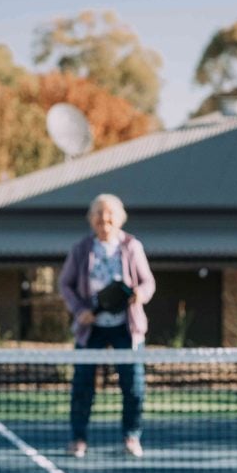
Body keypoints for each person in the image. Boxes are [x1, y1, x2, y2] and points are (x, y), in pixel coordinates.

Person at [59, 193, 155, 459]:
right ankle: (78, 439)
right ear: (91, 219)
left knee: (133, 384)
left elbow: (148, 282)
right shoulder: (81, 249)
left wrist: (139, 295)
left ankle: (131, 436)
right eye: (99, 213)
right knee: (82, 385)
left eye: (109, 213)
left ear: (119, 217)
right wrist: (80, 311)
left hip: (126, 328)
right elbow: (64, 284)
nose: (104, 219)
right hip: (92, 329)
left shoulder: (132, 246)